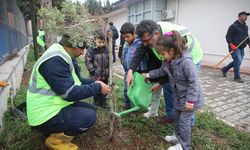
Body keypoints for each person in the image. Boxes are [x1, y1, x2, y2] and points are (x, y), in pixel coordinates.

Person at [26, 35, 111, 150]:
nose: (82, 53)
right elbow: (70, 94)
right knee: (88, 117)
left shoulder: (62, 55)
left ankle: (58, 129)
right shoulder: (55, 61)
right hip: (44, 114)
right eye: (82, 49)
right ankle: (55, 140)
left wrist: (95, 82)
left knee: (91, 109)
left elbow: (78, 81)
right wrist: (97, 87)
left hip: (54, 104)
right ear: (73, 45)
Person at [143, 31, 204, 150]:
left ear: (172, 50)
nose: (161, 56)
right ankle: (177, 136)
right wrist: (149, 74)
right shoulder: (169, 61)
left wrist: (190, 101)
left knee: (184, 122)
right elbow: (161, 71)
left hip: (189, 100)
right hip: (178, 97)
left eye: (163, 53)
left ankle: (184, 146)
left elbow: (194, 82)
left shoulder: (186, 62)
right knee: (176, 117)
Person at [119, 22, 148, 109]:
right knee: (126, 89)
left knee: (134, 90)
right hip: (128, 71)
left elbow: (143, 59)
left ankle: (135, 107)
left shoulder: (139, 44)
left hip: (136, 73)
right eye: (124, 37)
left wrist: (143, 71)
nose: (126, 39)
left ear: (134, 33)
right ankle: (127, 104)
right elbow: (124, 56)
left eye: (128, 36)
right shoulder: (126, 44)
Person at [221, 11, 250, 83]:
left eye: (246, 16)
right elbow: (228, 36)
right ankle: (237, 77)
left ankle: (225, 69)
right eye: (244, 15)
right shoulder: (233, 26)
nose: (246, 17)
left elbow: (247, 37)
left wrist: (249, 44)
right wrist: (231, 44)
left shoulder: (246, 27)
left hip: (242, 47)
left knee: (238, 62)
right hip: (234, 47)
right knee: (238, 61)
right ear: (239, 16)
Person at [85, 31, 109, 108]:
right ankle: (96, 102)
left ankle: (103, 101)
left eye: (103, 42)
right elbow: (88, 60)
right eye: (99, 42)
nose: (101, 44)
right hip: (95, 74)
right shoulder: (91, 49)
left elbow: (111, 60)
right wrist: (92, 71)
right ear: (95, 40)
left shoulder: (107, 50)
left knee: (104, 89)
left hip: (105, 74)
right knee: (96, 88)